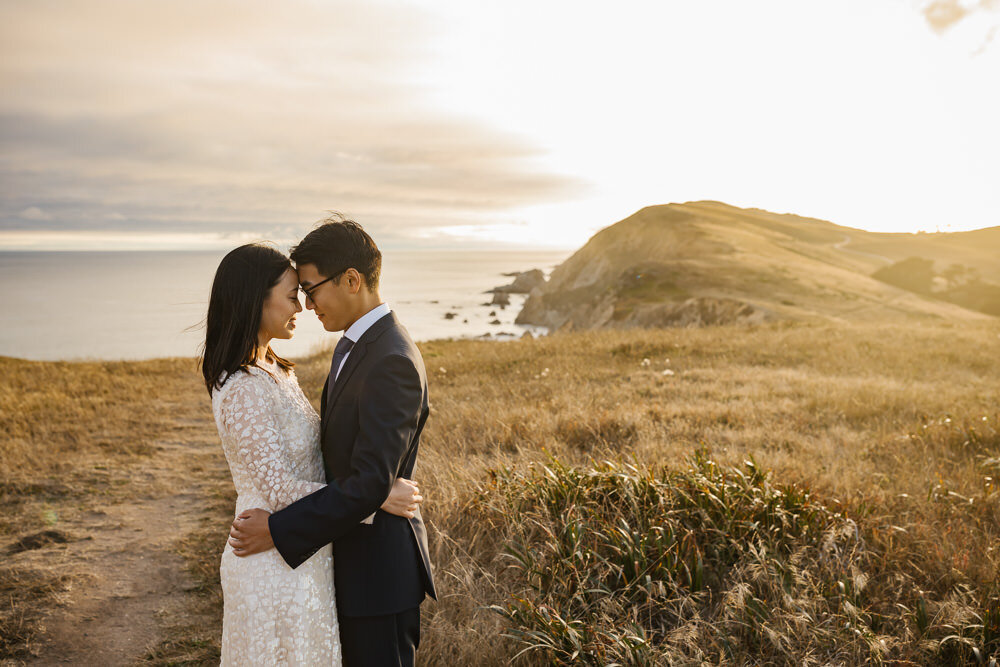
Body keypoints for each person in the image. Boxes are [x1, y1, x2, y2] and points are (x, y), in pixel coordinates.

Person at [227, 218, 437, 667]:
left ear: (352, 280)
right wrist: (378, 493)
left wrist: (277, 529)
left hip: (378, 580)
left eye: (310, 288)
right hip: (346, 570)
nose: (305, 303)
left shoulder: (391, 360)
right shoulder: (353, 344)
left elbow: (367, 483)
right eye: (297, 292)